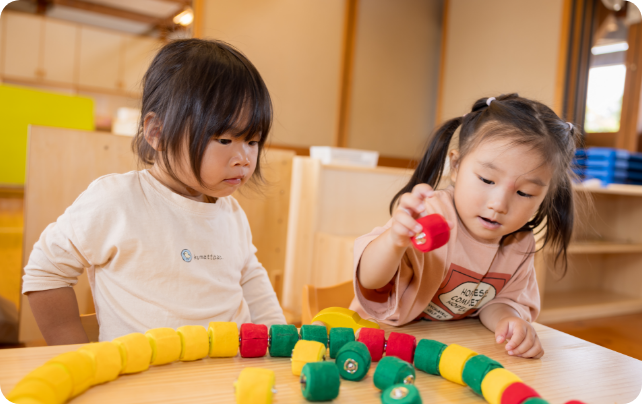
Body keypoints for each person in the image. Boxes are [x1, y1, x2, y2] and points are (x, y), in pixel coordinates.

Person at [23, 39, 286, 344]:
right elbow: (46, 270)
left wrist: (278, 338)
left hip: (228, 367)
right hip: (141, 370)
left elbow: (250, 277)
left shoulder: (232, 213)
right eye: (225, 140)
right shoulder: (117, 200)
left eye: (252, 141)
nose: (244, 158)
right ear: (157, 132)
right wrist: (72, 351)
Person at [351, 94, 581, 359]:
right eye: (487, 180)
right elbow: (371, 280)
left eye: (525, 193)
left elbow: (498, 301)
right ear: (456, 166)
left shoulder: (518, 243)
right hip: (374, 340)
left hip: (438, 347)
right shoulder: (429, 215)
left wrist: (508, 320)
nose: (499, 204)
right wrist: (394, 241)